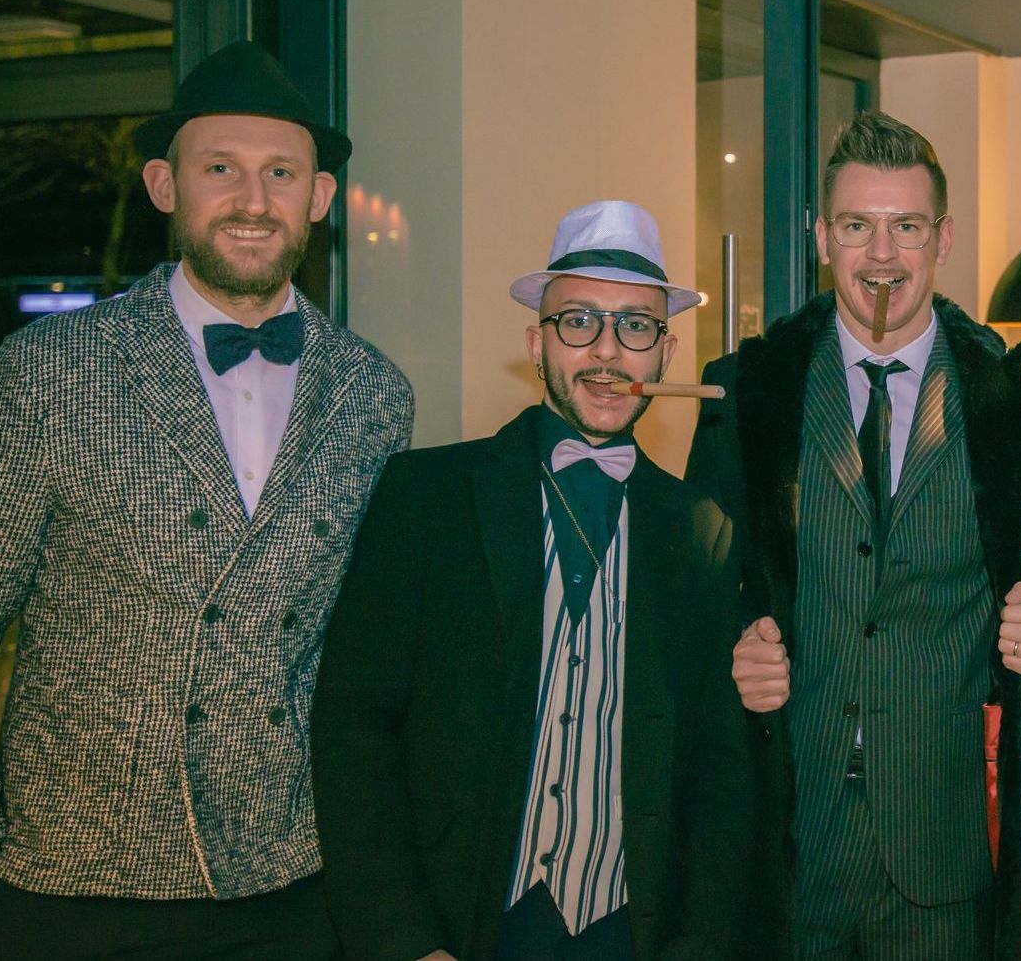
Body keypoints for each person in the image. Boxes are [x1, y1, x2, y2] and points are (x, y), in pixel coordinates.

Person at [0, 40, 413, 959]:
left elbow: (377, 658)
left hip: (296, 894)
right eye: (219, 168)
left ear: (319, 197)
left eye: (280, 173)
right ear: (163, 185)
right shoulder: (51, 371)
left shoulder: (374, 394)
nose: (253, 200)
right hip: (67, 894)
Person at [686, 111, 1021, 959]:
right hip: (794, 836)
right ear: (822, 239)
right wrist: (736, 644)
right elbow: (695, 588)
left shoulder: (1010, 395)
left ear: (941, 238)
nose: (882, 254)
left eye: (906, 226)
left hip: (945, 840)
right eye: (857, 227)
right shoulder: (746, 393)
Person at [312, 200, 765, 961]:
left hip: (626, 929)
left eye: (636, 326)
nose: (607, 352)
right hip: (466, 926)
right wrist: (403, 940)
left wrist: (697, 945)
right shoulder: (427, 498)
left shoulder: (702, 531)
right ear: (536, 342)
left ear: (664, 355)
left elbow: (720, 775)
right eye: (578, 321)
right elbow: (355, 730)